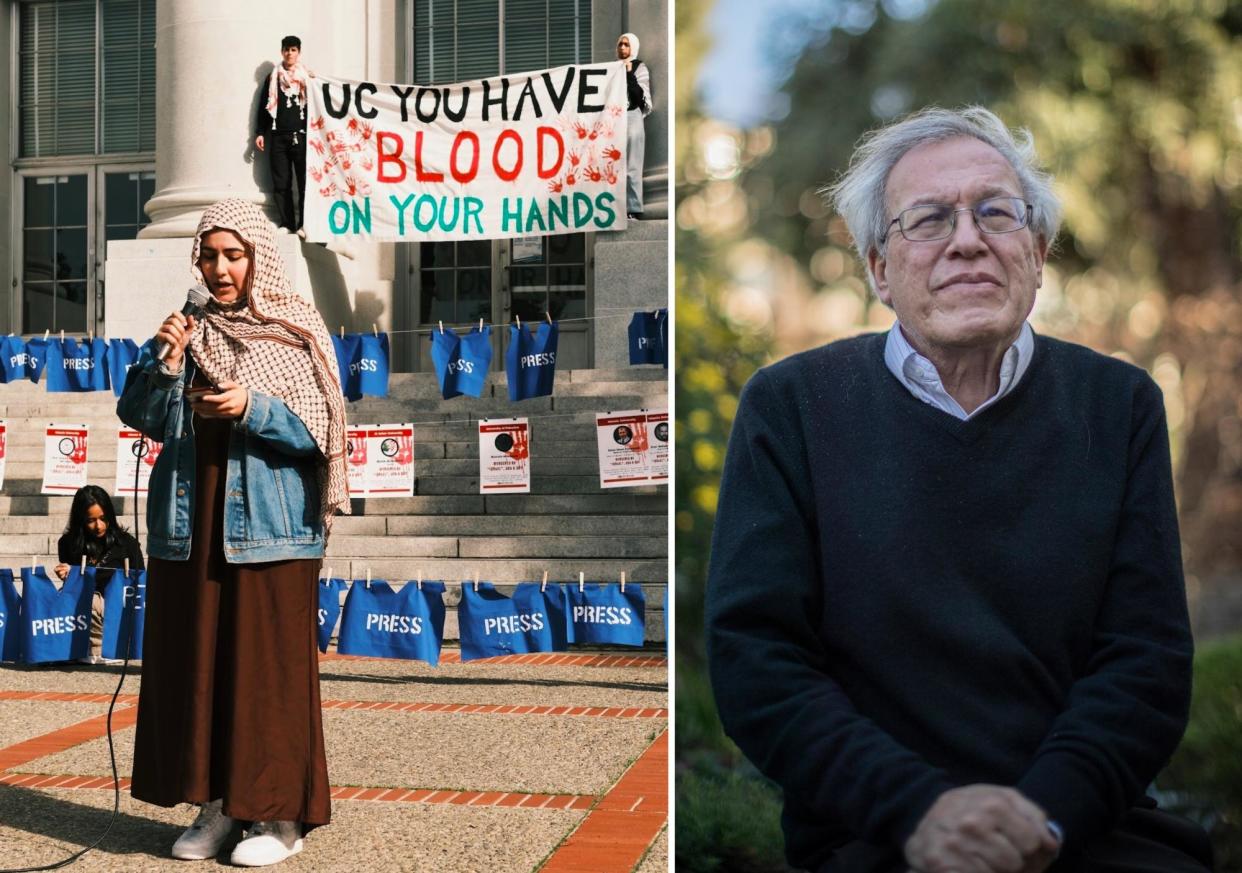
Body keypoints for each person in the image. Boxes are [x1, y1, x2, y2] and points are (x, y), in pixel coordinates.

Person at [705, 106, 1214, 873]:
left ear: (1038, 253)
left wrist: (1041, 817)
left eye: (996, 212)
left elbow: (1144, 662)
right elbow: (757, 658)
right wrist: (917, 810)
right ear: (879, 268)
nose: (968, 240)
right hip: (874, 834)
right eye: (929, 219)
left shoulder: (1119, 405)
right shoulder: (791, 407)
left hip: (1083, 831)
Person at [118, 198, 348, 866]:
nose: (220, 268)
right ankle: (218, 805)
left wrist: (253, 406)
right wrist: (164, 361)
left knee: (266, 673)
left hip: (273, 528)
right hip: (192, 522)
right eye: (209, 254)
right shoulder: (190, 329)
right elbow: (140, 413)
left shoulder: (297, 326)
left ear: (257, 258)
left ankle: (277, 816)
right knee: (203, 666)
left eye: (233, 254)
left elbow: (324, 431)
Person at [53, 485, 145, 666]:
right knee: (62, 597)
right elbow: (74, 587)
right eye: (91, 520)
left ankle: (103, 649)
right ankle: (87, 648)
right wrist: (67, 576)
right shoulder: (68, 544)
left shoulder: (125, 543)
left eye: (103, 518)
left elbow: (141, 583)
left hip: (119, 607)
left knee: (88, 600)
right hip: (87, 608)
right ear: (80, 521)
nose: (99, 526)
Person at [254, 35, 310, 236]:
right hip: (278, 136)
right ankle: (287, 223)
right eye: (286, 49)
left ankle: (305, 224)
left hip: (302, 137)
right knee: (281, 183)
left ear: (299, 52)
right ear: (282, 52)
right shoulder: (273, 78)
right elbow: (264, 106)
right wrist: (260, 132)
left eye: (293, 50)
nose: (289, 53)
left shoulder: (307, 78)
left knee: (305, 183)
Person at [617, 32, 652, 220]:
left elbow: (640, 97)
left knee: (632, 165)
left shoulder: (640, 68)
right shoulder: (611, 69)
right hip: (613, 120)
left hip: (631, 116)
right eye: (620, 44)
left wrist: (629, 73)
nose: (622, 48)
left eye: (626, 45)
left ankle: (633, 208)